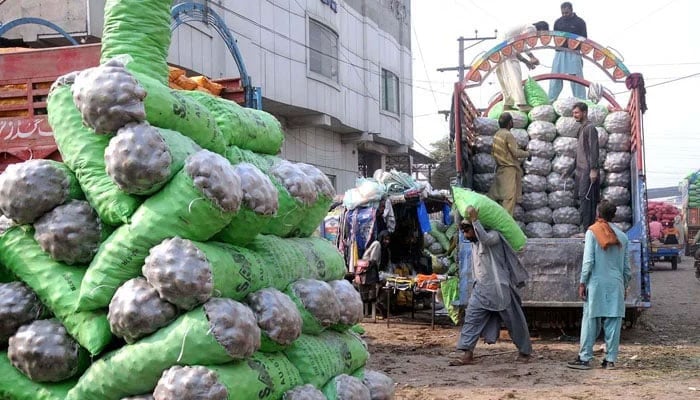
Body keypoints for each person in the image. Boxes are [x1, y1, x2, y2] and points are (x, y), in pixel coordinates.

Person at [449, 207, 532, 366]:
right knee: (471, 320)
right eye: (464, 232)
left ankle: (525, 352)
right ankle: (466, 353)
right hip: (481, 289)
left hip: (500, 289)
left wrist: (475, 221)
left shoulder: (494, 236)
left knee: (515, 322)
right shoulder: (474, 242)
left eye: (468, 231)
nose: (466, 236)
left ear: (477, 227)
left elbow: (485, 239)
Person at [567, 200, 631, 370]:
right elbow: (626, 269)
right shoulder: (623, 237)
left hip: (596, 284)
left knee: (590, 321)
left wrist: (582, 282)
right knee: (613, 323)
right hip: (616, 284)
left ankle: (585, 358)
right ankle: (610, 360)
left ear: (598, 214)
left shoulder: (592, 232)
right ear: (614, 215)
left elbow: (588, 261)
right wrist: (624, 286)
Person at [495, 21, 549, 112]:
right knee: (515, 75)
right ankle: (521, 103)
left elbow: (517, 47)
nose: (540, 37)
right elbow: (522, 42)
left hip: (501, 48)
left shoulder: (524, 28)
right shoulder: (532, 28)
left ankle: (507, 104)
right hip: (506, 48)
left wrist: (527, 61)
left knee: (505, 77)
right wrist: (531, 57)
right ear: (542, 30)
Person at [565, 102, 600, 230]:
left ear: (584, 112)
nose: (574, 115)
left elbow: (593, 149)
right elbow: (580, 153)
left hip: (587, 170)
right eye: (573, 113)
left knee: (588, 200)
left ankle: (588, 230)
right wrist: (569, 170)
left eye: (577, 113)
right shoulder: (581, 129)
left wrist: (594, 169)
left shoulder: (590, 128)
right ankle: (585, 229)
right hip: (580, 171)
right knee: (582, 199)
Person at [488, 112, 531, 216]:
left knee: (494, 196)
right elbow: (515, 153)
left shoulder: (497, 134)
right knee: (509, 200)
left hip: (500, 170)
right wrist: (528, 153)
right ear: (510, 122)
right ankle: (506, 225)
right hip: (509, 171)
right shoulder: (508, 135)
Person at [549, 2, 588, 101]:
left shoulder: (580, 22)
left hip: (574, 53)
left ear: (571, 10)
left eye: (566, 12)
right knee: (555, 77)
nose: (564, 15)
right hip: (560, 52)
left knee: (576, 78)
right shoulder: (558, 22)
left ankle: (581, 101)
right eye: (563, 13)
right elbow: (555, 37)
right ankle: (550, 100)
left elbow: (584, 39)